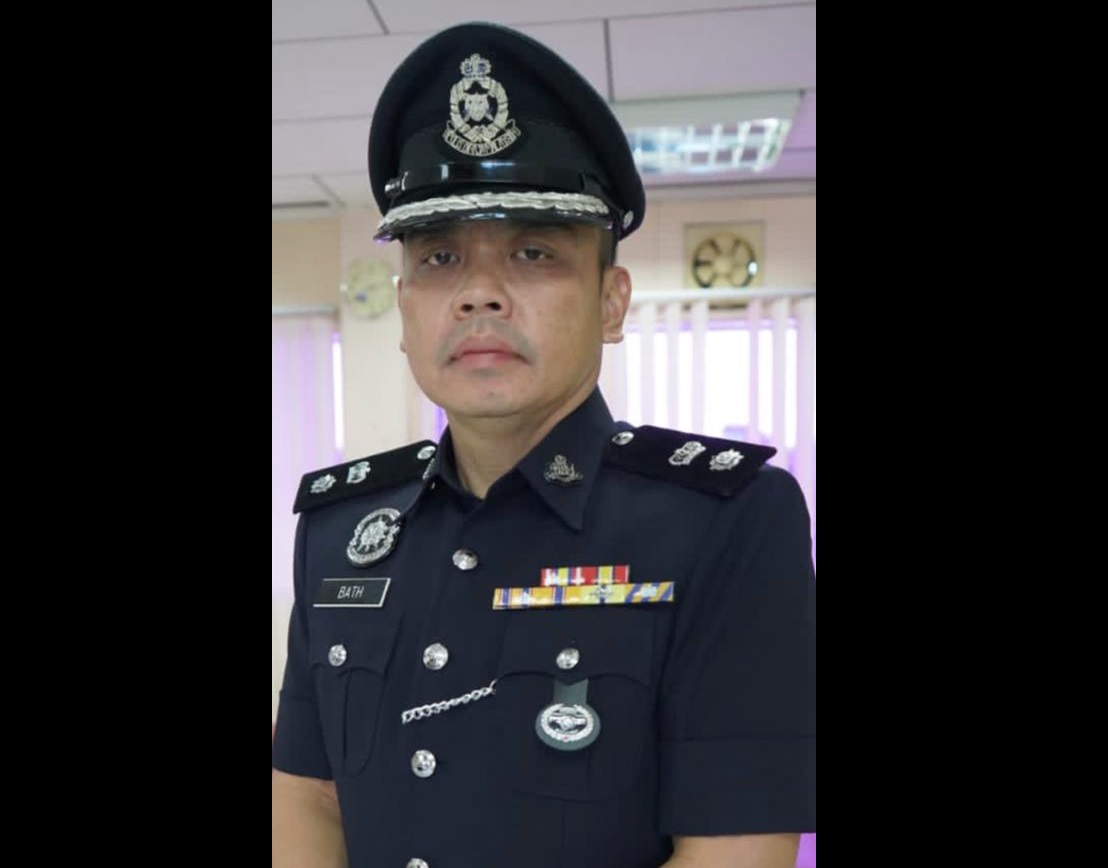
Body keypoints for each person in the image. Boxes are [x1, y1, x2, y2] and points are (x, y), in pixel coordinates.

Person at [272, 20, 815, 868]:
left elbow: (736, 850)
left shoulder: (724, 522)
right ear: (405, 307)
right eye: (439, 258)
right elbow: (308, 796)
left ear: (611, 302)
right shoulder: (343, 529)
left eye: (532, 252)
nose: (478, 294)